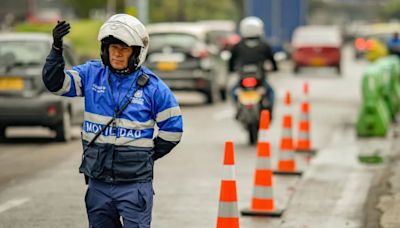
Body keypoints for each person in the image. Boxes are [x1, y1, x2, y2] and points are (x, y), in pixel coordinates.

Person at [42, 14, 183, 228]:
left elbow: (173, 130)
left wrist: (145, 156)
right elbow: (56, 84)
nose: (117, 53)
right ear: (105, 50)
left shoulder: (154, 87)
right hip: (98, 183)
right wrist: (56, 48)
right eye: (113, 47)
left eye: (124, 49)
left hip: (134, 185)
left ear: (136, 52)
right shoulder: (91, 74)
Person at [228, 16, 278, 118]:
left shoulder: (238, 46)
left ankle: (237, 109)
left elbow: (231, 62)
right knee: (270, 92)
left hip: (244, 80)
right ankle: (269, 112)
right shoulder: (264, 45)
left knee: (233, 91)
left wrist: (231, 70)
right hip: (259, 79)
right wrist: (275, 68)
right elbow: (272, 61)